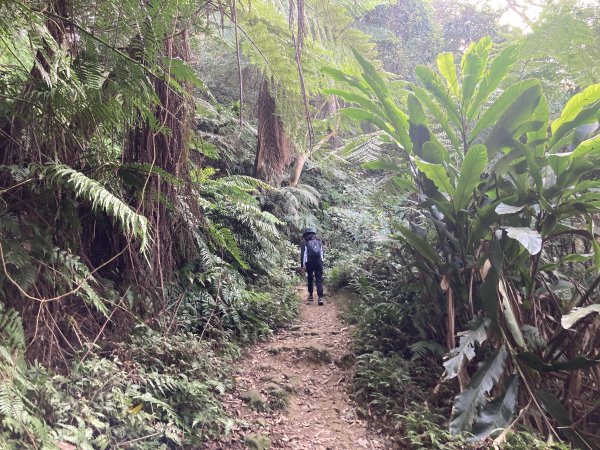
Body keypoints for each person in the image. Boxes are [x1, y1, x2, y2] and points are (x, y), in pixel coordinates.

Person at [300, 227, 324, 305]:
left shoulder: (305, 242)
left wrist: (302, 265)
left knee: (310, 278)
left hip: (309, 263)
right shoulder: (318, 241)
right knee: (319, 279)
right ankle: (320, 297)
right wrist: (322, 262)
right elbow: (321, 253)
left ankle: (310, 296)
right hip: (318, 262)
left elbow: (303, 255)